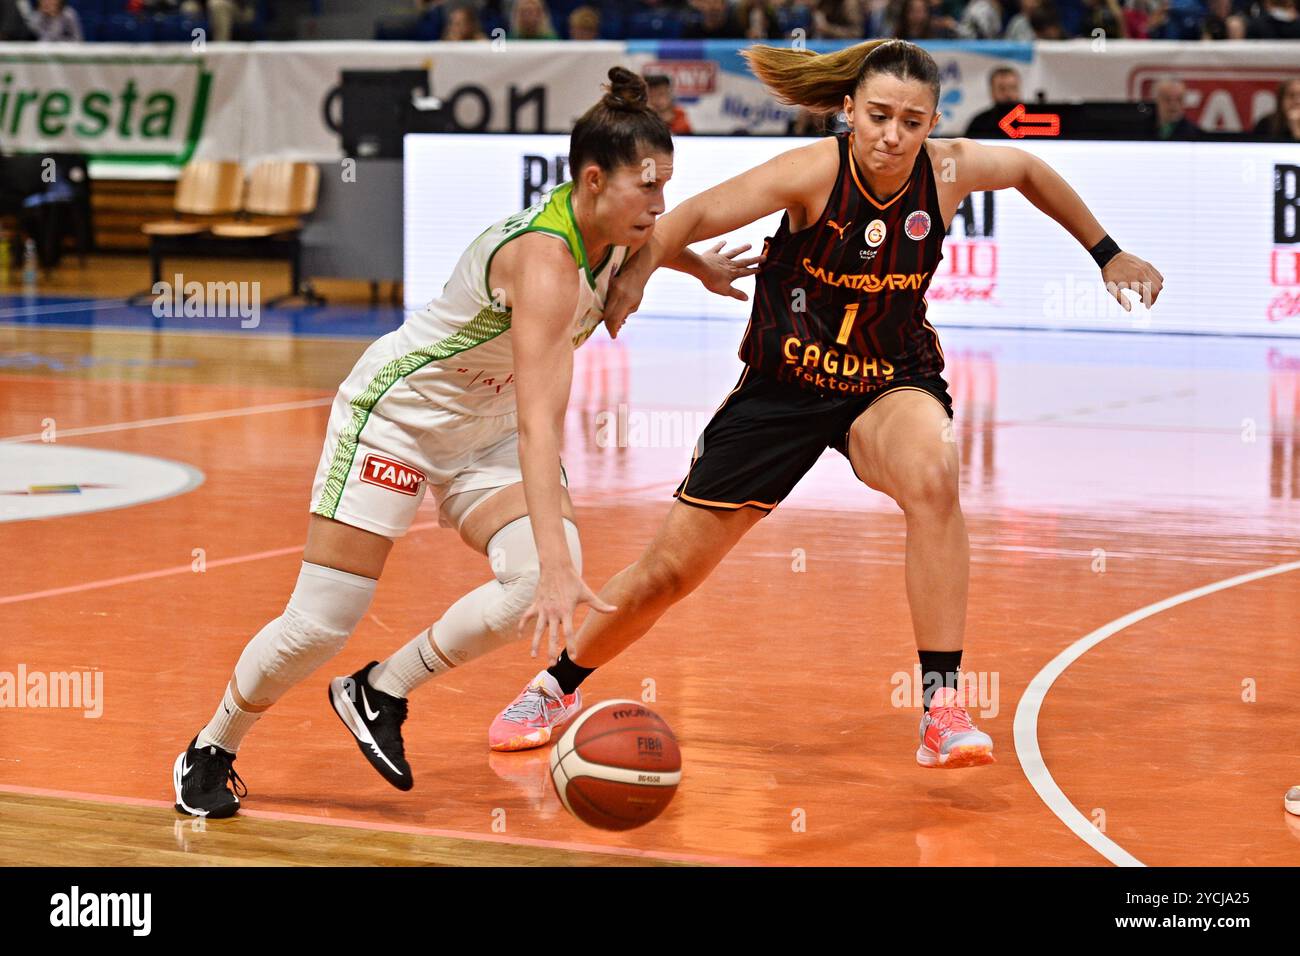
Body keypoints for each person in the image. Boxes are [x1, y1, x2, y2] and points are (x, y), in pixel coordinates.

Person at [486, 39, 1163, 765]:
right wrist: (637, 278)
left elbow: (1028, 166)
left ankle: (940, 705)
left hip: (886, 378)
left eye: (912, 121)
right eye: (878, 116)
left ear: (933, 123)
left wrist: (1107, 252)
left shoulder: (949, 173)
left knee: (934, 475)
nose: (892, 136)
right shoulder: (816, 170)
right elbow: (690, 215)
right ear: (848, 110)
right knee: (669, 574)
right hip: (785, 385)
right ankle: (558, 685)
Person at [171, 69, 760, 817]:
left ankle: (379, 688)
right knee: (321, 623)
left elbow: (661, 235)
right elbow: (544, 427)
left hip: (483, 432)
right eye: (647, 188)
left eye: (665, 185)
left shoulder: (619, 229)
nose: (660, 204)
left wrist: (690, 263)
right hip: (401, 418)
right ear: (590, 180)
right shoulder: (543, 262)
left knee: (538, 582)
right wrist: (550, 564)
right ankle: (212, 745)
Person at [964, 66, 1023, 138]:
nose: (1008, 94)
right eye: (1002, 89)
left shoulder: (1033, 121)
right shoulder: (979, 123)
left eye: (1013, 87)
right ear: (992, 91)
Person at [1252, 77, 1300, 142]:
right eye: (1291, 95)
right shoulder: (1266, 123)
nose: (1297, 101)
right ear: (1281, 100)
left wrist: (1296, 127)